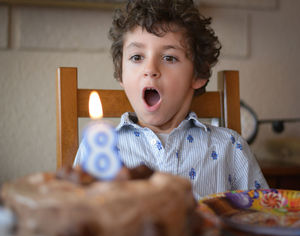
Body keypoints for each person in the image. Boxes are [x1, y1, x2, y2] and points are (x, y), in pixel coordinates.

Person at [74, 0, 268, 200]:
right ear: (121, 74)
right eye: (137, 57)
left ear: (198, 75)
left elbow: (264, 217)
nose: (150, 70)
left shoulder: (230, 147)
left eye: (169, 58)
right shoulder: (98, 146)